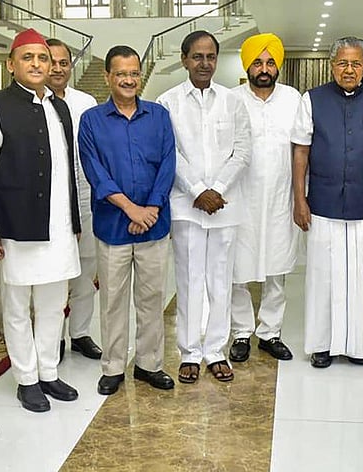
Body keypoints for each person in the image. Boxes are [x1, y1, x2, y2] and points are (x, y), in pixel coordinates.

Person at [0, 28, 81, 413]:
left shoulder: (60, 106)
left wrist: (72, 220)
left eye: (44, 58)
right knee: (18, 306)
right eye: (29, 58)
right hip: (16, 225)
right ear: (11, 64)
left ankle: (49, 372)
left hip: (57, 226)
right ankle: (26, 379)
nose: (38, 65)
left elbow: (66, 170)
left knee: (54, 304)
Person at [78, 45, 177, 395]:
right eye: (121, 73)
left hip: (154, 224)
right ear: (108, 77)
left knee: (152, 299)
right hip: (112, 227)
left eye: (134, 73)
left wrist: (150, 208)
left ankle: (150, 364)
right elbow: (96, 172)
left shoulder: (159, 115)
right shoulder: (91, 121)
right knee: (113, 301)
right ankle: (114, 366)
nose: (129, 79)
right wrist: (131, 210)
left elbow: (168, 165)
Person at [292, 36, 363, 368]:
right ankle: (321, 345)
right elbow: (301, 152)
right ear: (332, 65)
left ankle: (355, 346)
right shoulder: (312, 100)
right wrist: (299, 199)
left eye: (356, 64)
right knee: (322, 274)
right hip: (322, 201)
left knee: (360, 274)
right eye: (342, 63)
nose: (349, 70)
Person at [157, 30, 251, 383]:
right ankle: (189, 352)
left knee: (220, 281)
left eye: (211, 56)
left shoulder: (232, 101)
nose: (205, 63)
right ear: (184, 59)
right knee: (189, 278)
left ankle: (216, 351)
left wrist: (218, 189)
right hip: (186, 205)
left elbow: (242, 150)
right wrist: (198, 190)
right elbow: (172, 154)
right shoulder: (167, 102)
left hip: (225, 205)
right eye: (197, 56)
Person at [227, 33, 299, 363]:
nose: (265, 68)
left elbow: (303, 149)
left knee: (277, 268)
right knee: (238, 270)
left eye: (270, 62)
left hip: (281, 198)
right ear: (248, 66)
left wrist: (302, 196)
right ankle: (241, 332)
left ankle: (270, 332)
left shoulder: (293, 99)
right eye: (258, 62)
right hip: (241, 198)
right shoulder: (231, 99)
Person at [45, 38, 103, 361]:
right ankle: (53, 338)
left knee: (86, 267)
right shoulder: (37, 102)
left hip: (85, 196)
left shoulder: (86, 102)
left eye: (63, 62)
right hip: (52, 202)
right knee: (54, 274)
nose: (57, 68)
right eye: (51, 61)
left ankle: (80, 332)